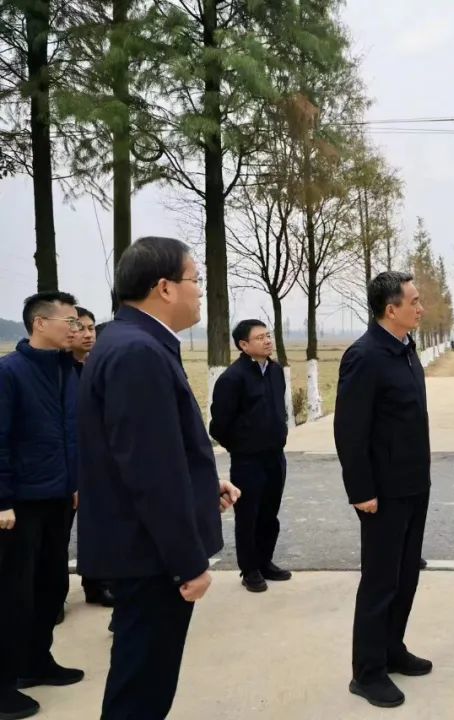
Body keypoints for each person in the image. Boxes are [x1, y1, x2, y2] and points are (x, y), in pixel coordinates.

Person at [76, 236, 240, 719]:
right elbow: (149, 472)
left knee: (142, 683)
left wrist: (204, 487)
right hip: (149, 557)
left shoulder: (130, 342)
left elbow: (145, 450)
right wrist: (187, 564)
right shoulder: (138, 353)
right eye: (195, 279)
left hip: (142, 548)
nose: (200, 291)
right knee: (141, 692)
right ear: (165, 288)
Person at [335, 271, 432, 709]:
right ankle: (367, 672)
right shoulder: (366, 356)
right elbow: (350, 431)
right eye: (413, 301)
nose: (420, 307)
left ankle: (392, 648)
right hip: (382, 493)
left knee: (405, 575)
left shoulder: (407, 352)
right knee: (379, 582)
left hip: (414, 485)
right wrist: (361, 490)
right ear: (390, 309)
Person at [0, 291, 84, 720]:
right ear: (40, 324)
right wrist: (3, 500)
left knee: (51, 587)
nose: (77, 329)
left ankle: (37, 662)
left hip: (58, 498)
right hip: (19, 506)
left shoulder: (68, 370)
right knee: (13, 594)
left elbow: (72, 433)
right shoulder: (10, 372)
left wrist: (75, 482)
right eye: (69, 322)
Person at [209, 319, 291, 593]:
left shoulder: (276, 371)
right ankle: (250, 569)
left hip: (275, 456)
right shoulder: (232, 378)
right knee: (249, 516)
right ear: (243, 345)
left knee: (270, 513)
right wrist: (242, 447)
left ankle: (265, 561)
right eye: (260, 338)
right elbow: (219, 425)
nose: (267, 341)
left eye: (268, 336)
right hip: (248, 460)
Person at [65, 307, 117, 611]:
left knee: (98, 528)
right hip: (66, 464)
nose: (87, 334)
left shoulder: (98, 367)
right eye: (80, 328)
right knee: (57, 535)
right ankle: (52, 596)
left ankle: (97, 584)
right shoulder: (59, 370)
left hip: (99, 462)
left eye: (91, 328)